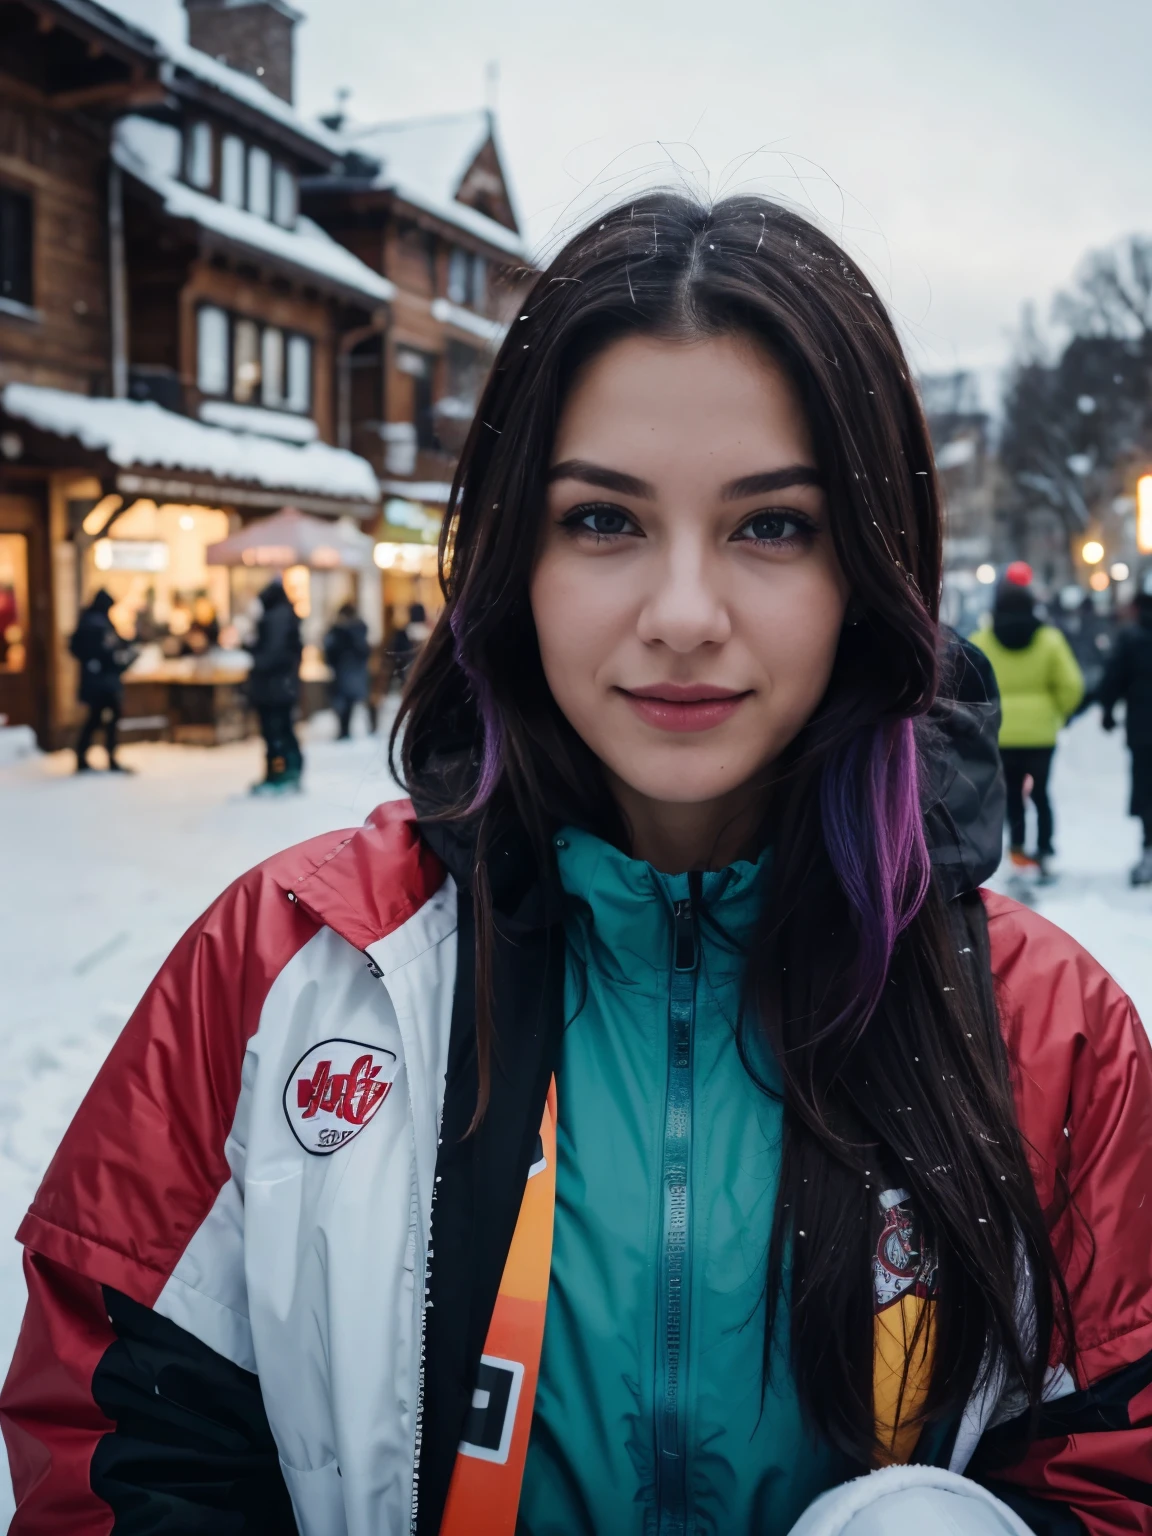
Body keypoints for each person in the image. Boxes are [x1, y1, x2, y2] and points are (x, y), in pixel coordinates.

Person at [4, 196, 1151, 1536]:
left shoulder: (1049, 1032)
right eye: (604, 520)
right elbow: (118, 1451)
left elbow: (1120, 1463)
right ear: (514, 555)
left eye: (770, 525)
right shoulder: (282, 972)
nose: (680, 615)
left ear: (870, 569)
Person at [969, 581, 1084, 878]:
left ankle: (1018, 848)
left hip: (1001, 732)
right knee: (1041, 793)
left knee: (1010, 794)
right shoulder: (1050, 641)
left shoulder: (982, 640)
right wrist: (1061, 713)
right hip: (1041, 734)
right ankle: (1045, 848)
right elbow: (1071, 685)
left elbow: (966, 683)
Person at [1098, 572, 1152, 886]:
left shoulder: (1132, 638)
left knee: (1146, 790)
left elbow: (1114, 677)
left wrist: (1107, 709)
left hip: (1143, 729)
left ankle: (1148, 850)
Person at [68, 588, 138, 773]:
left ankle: (93, 756)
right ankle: (95, 756)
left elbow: (113, 643)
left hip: (102, 680)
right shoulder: (93, 623)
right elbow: (95, 649)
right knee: (99, 719)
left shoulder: (97, 621)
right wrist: (98, 663)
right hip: (100, 683)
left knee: (100, 718)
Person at [245, 577, 303, 793]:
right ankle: (287, 771)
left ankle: (281, 774)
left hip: (274, 688)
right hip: (282, 687)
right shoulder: (285, 615)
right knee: (282, 731)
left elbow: (271, 655)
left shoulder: (276, 617)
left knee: (276, 733)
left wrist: (250, 652)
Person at [323, 600, 372, 739]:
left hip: (346, 671)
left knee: (344, 703)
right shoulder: (358, 630)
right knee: (347, 703)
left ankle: (345, 730)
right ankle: (347, 730)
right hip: (352, 671)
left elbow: (331, 652)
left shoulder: (342, 631)